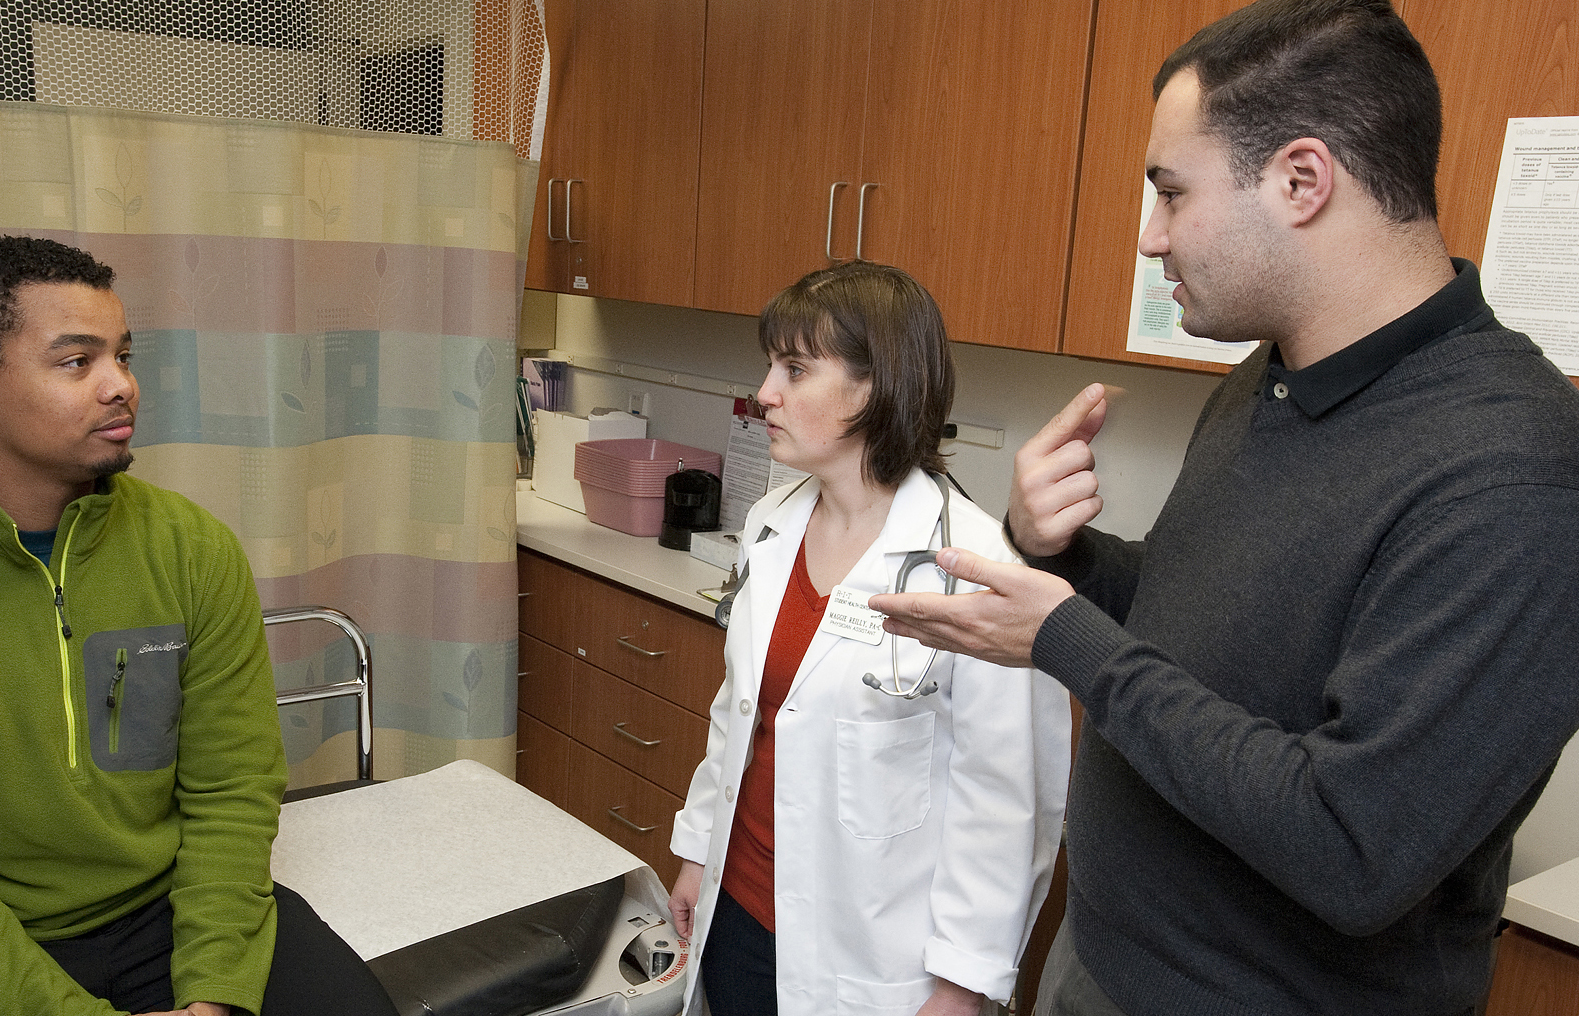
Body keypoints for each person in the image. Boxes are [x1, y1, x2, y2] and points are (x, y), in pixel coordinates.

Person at [869, 2, 1579, 1014]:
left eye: (1169, 191)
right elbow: (1189, 624)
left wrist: (1065, 636)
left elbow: (1353, 847)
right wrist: (1058, 555)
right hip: (1102, 961)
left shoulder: (1516, 478)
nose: (1149, 236)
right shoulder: (1272, 376)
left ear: (1299, 180)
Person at [0, 236, 398, 1016]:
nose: (122, 387)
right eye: (77, 362)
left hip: (166, 916)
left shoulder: (191, 551)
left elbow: (232, 790)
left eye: (123, 355)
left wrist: (211, 996)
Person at [666, 261, 1071, 1016]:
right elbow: (742, 710)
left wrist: (963, 986)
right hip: (740, 912)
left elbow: (1009, 806)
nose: (764, 394)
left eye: (794, 368)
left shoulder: (975, 571)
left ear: (875, 386)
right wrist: (697, 850)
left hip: (875, 959)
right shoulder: (772, 522)